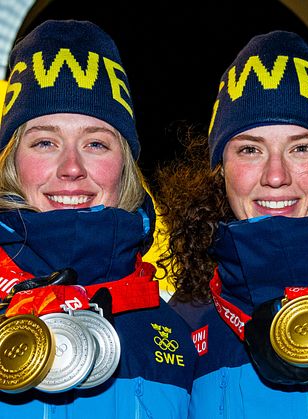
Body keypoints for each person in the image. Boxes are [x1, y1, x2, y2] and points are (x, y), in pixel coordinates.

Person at [157, 31, 308, 418]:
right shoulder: (185, 315)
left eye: (301, 148)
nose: (276, 176)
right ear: (220, 169)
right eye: (250, 149)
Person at [0, 20, 196, 417]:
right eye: (44, 142)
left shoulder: (177, 331)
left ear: (124, 164)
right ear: (11, 164)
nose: (71, 167)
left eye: (95, 143)